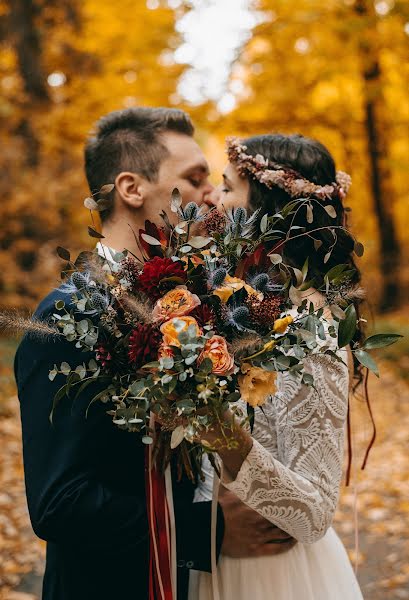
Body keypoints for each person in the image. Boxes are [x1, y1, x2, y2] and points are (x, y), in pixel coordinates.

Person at [14, 109, 294, 600]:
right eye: (194, 177)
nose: (212, 193)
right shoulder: (64, 317)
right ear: (131, 188)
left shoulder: (197, 301)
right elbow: (59, 502)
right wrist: (208, 530)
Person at [189, 133, 364, 600]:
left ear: (267, 211)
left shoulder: (315, 335)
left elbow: (315, 513)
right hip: (213, 558)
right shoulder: (240, 306)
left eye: (227, 188)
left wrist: (224, 436)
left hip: (274, 578)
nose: (213, 198)